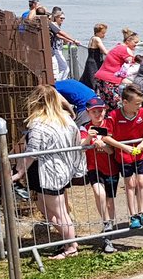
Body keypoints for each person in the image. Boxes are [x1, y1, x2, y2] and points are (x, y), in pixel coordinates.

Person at [10, 86, 88, 259]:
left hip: (49, 172)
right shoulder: (67, 120)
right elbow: (76, 143)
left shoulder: (39, 124)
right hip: (62, 169)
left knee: (59, 211)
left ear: (35, 101)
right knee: (46, 207)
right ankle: (69, 241)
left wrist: (19, 172)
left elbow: (32, 151)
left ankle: (71, 246)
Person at [103, 85, 143, 230]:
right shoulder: (114, 116)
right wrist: (124, 147)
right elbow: (107, 137)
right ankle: (133, 215)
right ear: (125, 102)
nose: (139, 106)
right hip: (124, 156)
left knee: (141, 181)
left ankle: (142, 212)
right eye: (136, 103)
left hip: (140, 153)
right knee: (130, 184)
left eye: (140, 103)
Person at [80, 97, 119, 253]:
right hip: (93, 167)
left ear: (105, 111)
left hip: (111, 168)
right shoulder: (85, 128)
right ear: (88, 113)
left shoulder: (110, 125)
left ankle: (109, 233)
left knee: (109, 200)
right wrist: (90, 138)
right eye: (94, 111)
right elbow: (82, 146)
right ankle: (106, 222)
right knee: (98, 193)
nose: (98, 114)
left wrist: (105, 146)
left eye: (100, 111)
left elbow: (114, 149)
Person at [93, 28, 140, 110]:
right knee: (115, 105)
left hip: (101, 76)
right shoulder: (126, 50)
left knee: (105, 103)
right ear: (128, 41)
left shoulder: (118, 46)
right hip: (110, 79)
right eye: (135, 42)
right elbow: (130, 66)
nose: (136, 45)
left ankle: (107, 120)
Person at [48, 12, 81, 81]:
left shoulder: (56, 25)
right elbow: (60, 34)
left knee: (61, 68)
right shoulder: (53, 25)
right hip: (55, 49)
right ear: (56, 17)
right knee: (65, 68)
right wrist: (73, 40)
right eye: (61, 18)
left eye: (63, 18)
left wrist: (69, 41)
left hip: (58, 49)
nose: (62, 20)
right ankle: (59, 83)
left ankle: (59, 82)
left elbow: (60, 36)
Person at [79, 23, 109, 89]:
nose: (104, 35)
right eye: (103, 33)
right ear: (97, 32)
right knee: (94, 81)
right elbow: (105, 52)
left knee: (87, 80)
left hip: (90, 61)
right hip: (94, 63)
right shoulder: (97, 39)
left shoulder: (92, 38)